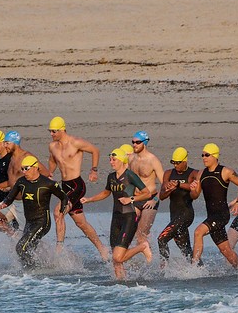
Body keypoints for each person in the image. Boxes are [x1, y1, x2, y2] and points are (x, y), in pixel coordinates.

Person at [84, 146, 155, 279]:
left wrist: (131, 198)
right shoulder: (111, 177)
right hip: (116, 218)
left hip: (129, 216)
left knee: (118, 257)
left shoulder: (130, 175)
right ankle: (120, 285)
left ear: (122, 160)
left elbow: (147, 193)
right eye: (110, 159)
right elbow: (106, 192)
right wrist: (89, 199)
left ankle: (142, 247)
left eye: (114, 159)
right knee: (115, 260)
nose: (111, 162)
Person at [45, 116, 110, 261]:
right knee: (81, 223)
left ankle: (59, 250)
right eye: (50, 131)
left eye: (53, 131)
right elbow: (52, 160)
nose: (51, 134)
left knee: (57, 212)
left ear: (62, 130)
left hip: (76, 185)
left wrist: (94, 170)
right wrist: (50, 172)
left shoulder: (75, 142)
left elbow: (95, 150)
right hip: (64, 186)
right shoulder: (52, 146)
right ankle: (102, 248)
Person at [0, 155, 68, 269]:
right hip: (29, 222)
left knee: (20, 248)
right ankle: (40, 268)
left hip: (42, 222)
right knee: (28, 249)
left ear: (35, 167)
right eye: (22, 169)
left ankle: (33, 269)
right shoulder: (22, 182)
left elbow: (64, 197)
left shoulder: (48, 183)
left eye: (26, 168)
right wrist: (4, 204)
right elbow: (11, 196)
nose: (24, 172)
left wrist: (62, 209)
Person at [192, 143, 238, 270]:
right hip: (211, 216)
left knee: (198, 232)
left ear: (215, 156)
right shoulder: (201, 173)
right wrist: (193, 189)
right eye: (202, 155)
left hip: (222, 215)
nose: (204, 158)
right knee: (226, 251)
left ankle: (193, 268)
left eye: (207, 155)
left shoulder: (226, 171)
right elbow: (195, 195)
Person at [157, 147, 201, 261]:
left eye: (178, 163)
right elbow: (161, 196)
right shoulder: (168, 173)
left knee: (161, 239)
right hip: (174, 216)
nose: (175, 165)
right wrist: (170, 189)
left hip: (186, 214)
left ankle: (164, 271)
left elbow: (196, 190)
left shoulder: (193, 173)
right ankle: (200, 271)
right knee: (186, 251)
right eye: (173, 163)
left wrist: (178, 185)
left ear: (184, 161)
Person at [127, 131, 166, 254]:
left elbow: (165, 184)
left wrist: (155, 200)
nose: (134, 145)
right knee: (130, 234)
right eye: (133, 142)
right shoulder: (131, 158)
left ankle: (150, 262)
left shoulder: (153, 160)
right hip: (135, 199)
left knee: (141, 235)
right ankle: (135, 260)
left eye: (138, 142)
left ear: (145, 143)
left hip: (150, 200)